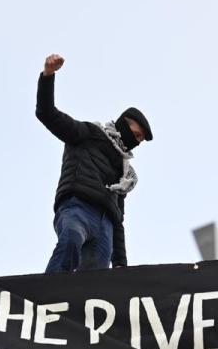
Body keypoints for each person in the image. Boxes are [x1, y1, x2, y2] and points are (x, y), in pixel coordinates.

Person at [36, 54, 152, 272]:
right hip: (77, 207)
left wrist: (120, 264)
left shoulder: (124, 172)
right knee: (70, 239)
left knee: (96, 277)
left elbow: (118, 219)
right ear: (125, 125)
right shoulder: (88, 133)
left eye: (139, 140)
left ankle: (79, 305)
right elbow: (47, 114)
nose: (136, 143)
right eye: (135, 135)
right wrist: (48, 75)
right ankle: (49, 292)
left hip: (105, 226)